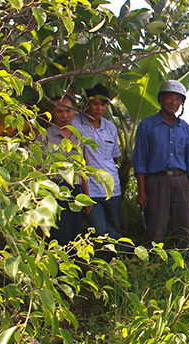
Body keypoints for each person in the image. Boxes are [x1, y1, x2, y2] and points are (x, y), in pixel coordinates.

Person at [133, 80, 189, 248]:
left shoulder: (184, 127)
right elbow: (140, 161)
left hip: (181, 181)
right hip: (157, 181)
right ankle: (152, 265)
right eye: (170, 97)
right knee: (156, 226)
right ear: (161, 99)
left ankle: (184, 266)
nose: (174, 103)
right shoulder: (147, 125)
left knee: (184, 226)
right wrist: (141, 189)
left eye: (178, 99)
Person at [72, 84, 123, 241]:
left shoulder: (110, 128)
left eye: (103, 104)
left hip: (112, 188)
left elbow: (115, 157)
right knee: (100, 230)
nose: (99, 108)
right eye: (95, 103)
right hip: (90, 188)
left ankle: (114, 260)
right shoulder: (75, 123)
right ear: (86, 102)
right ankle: (127, 251)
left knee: (115, 227)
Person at [40, 94, 89, 246]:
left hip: (75, 190)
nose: (65, 115)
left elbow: (83, 167)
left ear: (74, 110)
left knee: (74, 236)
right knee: (59, 236)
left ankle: (71, 267)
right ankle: (57, 269)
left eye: (68, 111)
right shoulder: (45, 136)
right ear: (52, 112)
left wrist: (86, 194)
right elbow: (37, 168)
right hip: (55, 191)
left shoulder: (79, 136)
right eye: (60, 111)